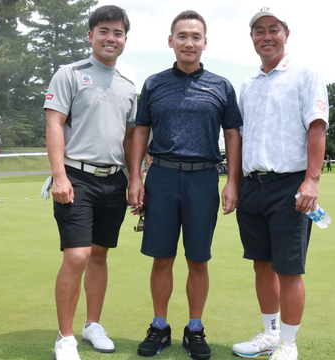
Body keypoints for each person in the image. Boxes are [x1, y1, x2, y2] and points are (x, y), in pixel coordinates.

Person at [127, 10, 242, 360]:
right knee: (161, 257)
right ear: (171, 41)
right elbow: (141, 130)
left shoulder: (222, 86)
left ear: (205, 43)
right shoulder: (154, 83)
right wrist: (136, 176)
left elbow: (233, 134)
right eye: (182, 36)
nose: (188, 42)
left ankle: (195, 328)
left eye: (195, 36)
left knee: (198, 259)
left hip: (204, 178)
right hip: (161, 176)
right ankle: (160, 326)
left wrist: (232, 181)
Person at [231, 7, 329, 360]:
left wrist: (312, 181)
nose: (266, 36)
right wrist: (235, 183)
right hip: (253, 186)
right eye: (259, 30)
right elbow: (241, 138)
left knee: (288, 268)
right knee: (261, 263)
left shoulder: (305, 73)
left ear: (286, 33)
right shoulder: (248, 84)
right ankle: (271, 334)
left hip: (291, 185)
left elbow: (316, 127)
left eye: (273, 29)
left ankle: (289, 343)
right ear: (252, 37)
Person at [42, 6, 136, 360]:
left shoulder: (128, 87)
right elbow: (54, 125)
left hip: (113, 180)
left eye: (118, 33)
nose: (111, 38)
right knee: (77, 255)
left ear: (125, 39)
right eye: (104, 31)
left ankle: (92, 324)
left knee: (99, 255)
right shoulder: (70, 74)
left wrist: (134, 180)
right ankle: (65, 337)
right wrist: (59, 176)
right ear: (91, 35)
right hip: (75, 175)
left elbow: (130, 141)